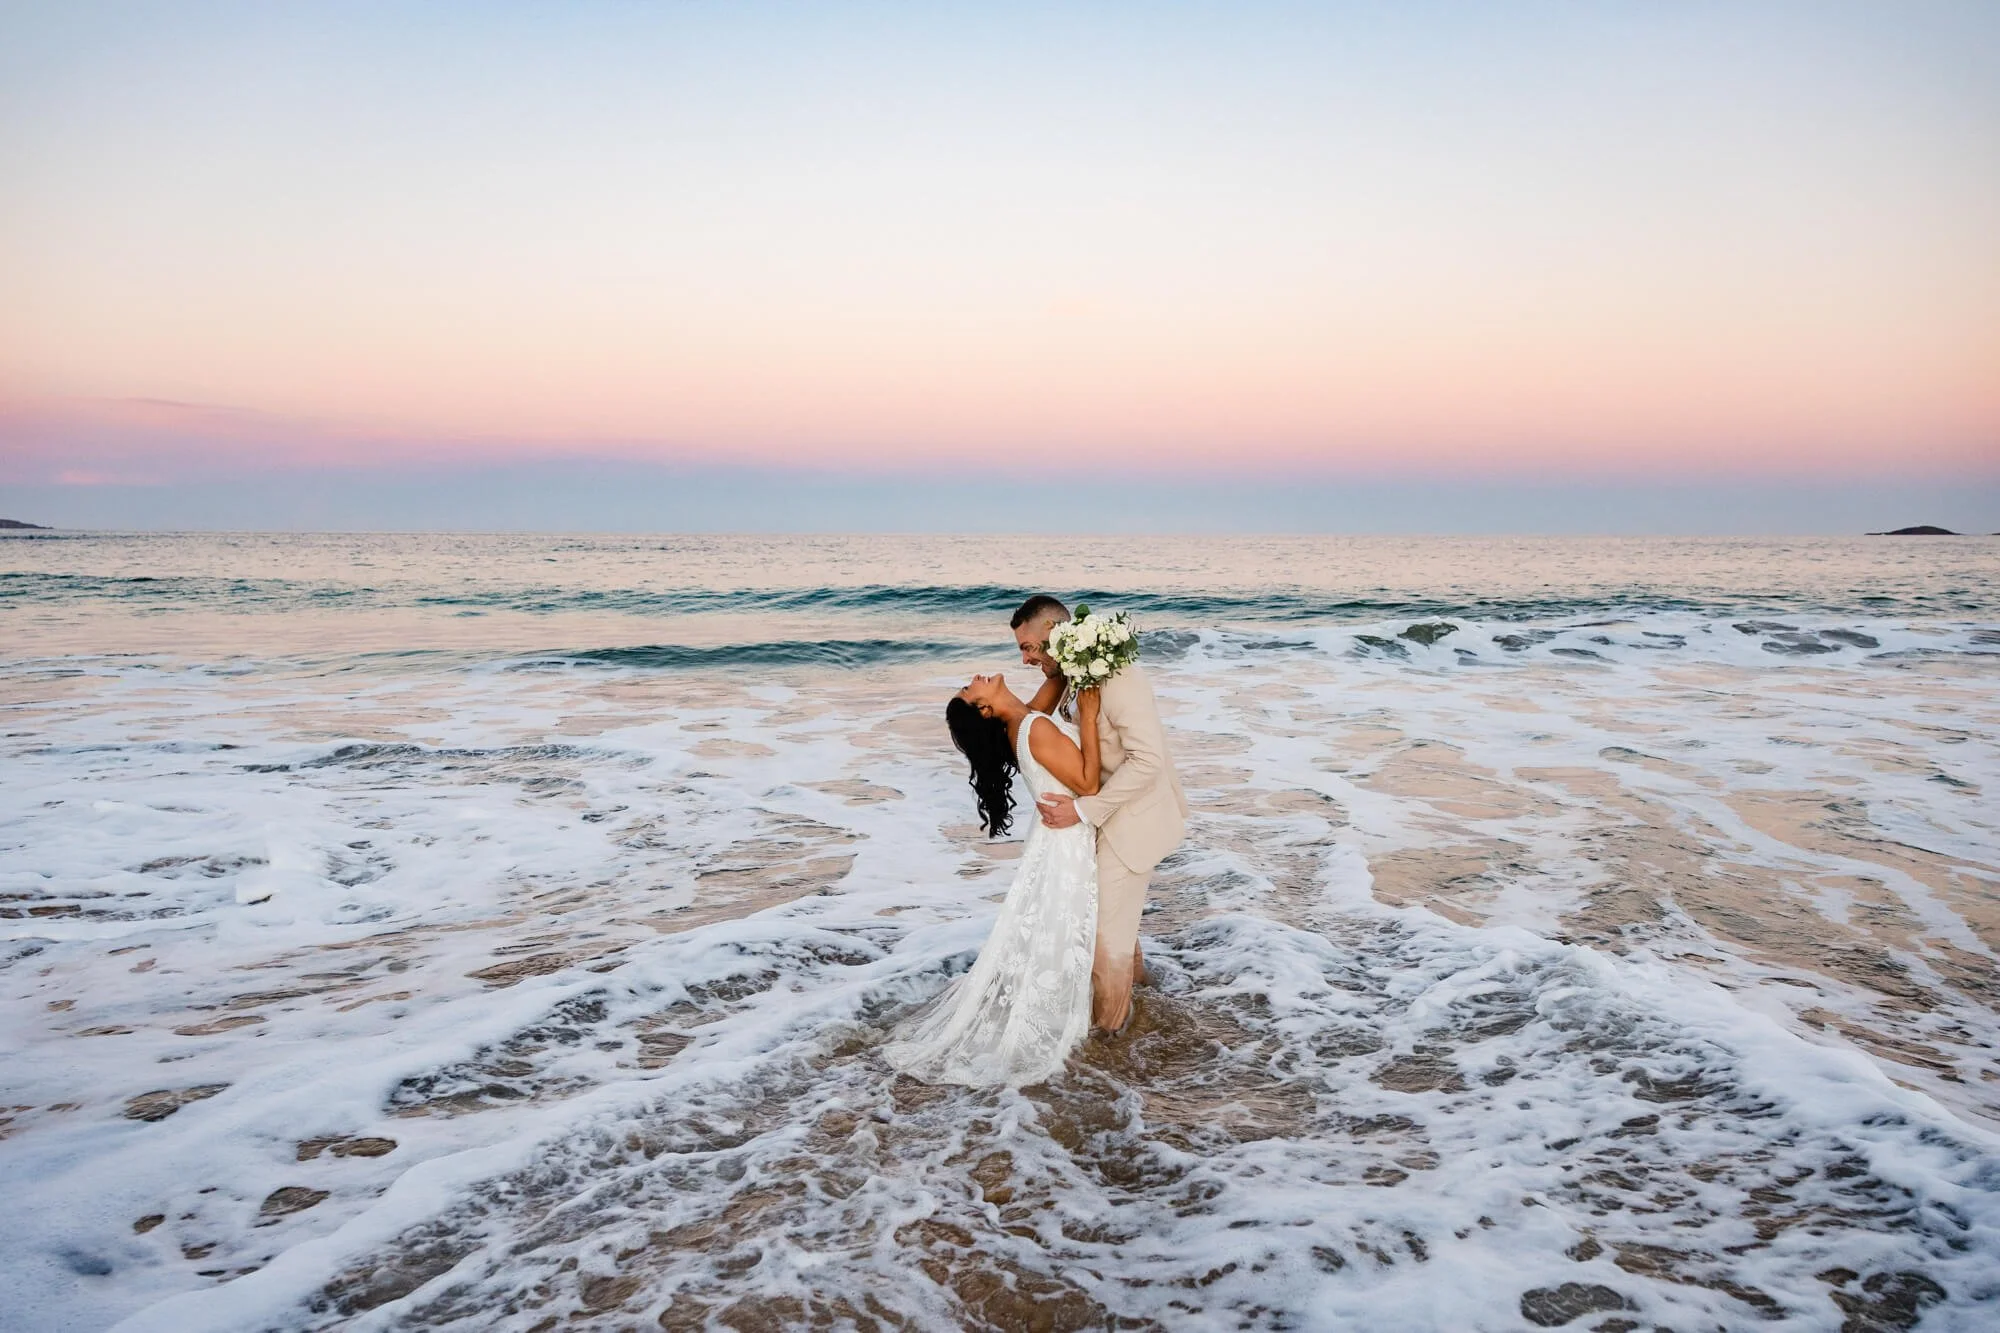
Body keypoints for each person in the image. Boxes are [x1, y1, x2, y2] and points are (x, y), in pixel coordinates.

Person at [883, 675, 1102, 1087]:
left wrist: (1073, 649)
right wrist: (1088, 717)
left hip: (1053, 837)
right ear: (985, 710)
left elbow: (1055, 679)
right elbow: (1088, 784)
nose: (970, 682)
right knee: (1072, 932)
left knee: (1065, 932)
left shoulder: (1023, 721)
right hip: (1069, 839)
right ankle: (1098, 1018)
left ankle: (1107, 1002)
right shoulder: (1032, 728)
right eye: (968, 692)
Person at [1012, 594, 1187, 1033]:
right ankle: (1145, 1003)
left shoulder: (1117, 674)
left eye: (1030, 647)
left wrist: (1083, 811)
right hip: (1103, 818)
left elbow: (1146, 761)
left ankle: (1110, 1047)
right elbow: (1033, 721)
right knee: (1112, 929)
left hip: (1131, 821)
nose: (1027, 658)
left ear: (1055, 633)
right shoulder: (1073, 673)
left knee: (1102, 943)